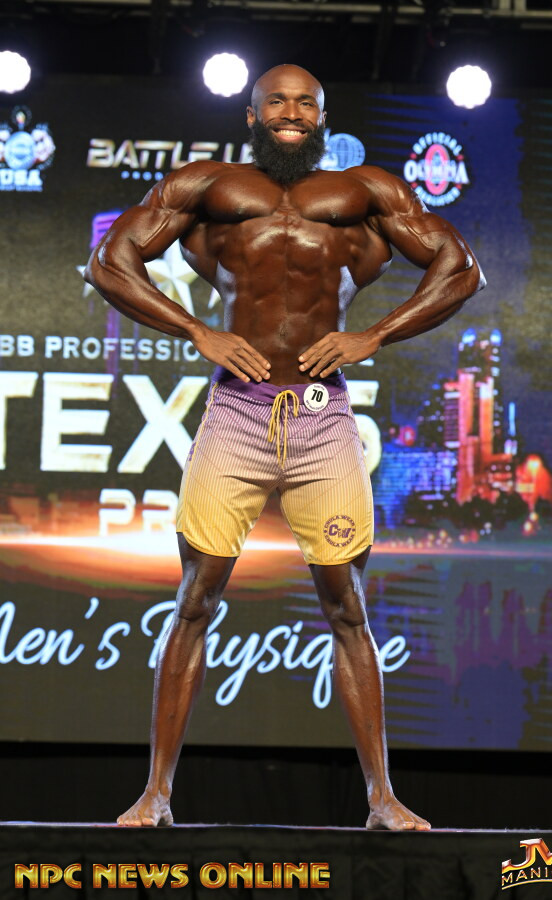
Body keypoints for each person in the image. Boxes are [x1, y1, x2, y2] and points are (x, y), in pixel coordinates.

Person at [85, 63, 485, 831]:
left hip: (321, 418)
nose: (292, 112)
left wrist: (374, 334)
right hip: (236, 411)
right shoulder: (209, 186)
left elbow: (462, 268)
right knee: (195, 598)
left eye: (306, 103)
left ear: (323, 117)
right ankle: (156, 795)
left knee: (347, 606)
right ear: (252, 114)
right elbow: (111, 261)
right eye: (278, 102)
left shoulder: (364, 192)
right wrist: (196, 329)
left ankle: (382, 799)